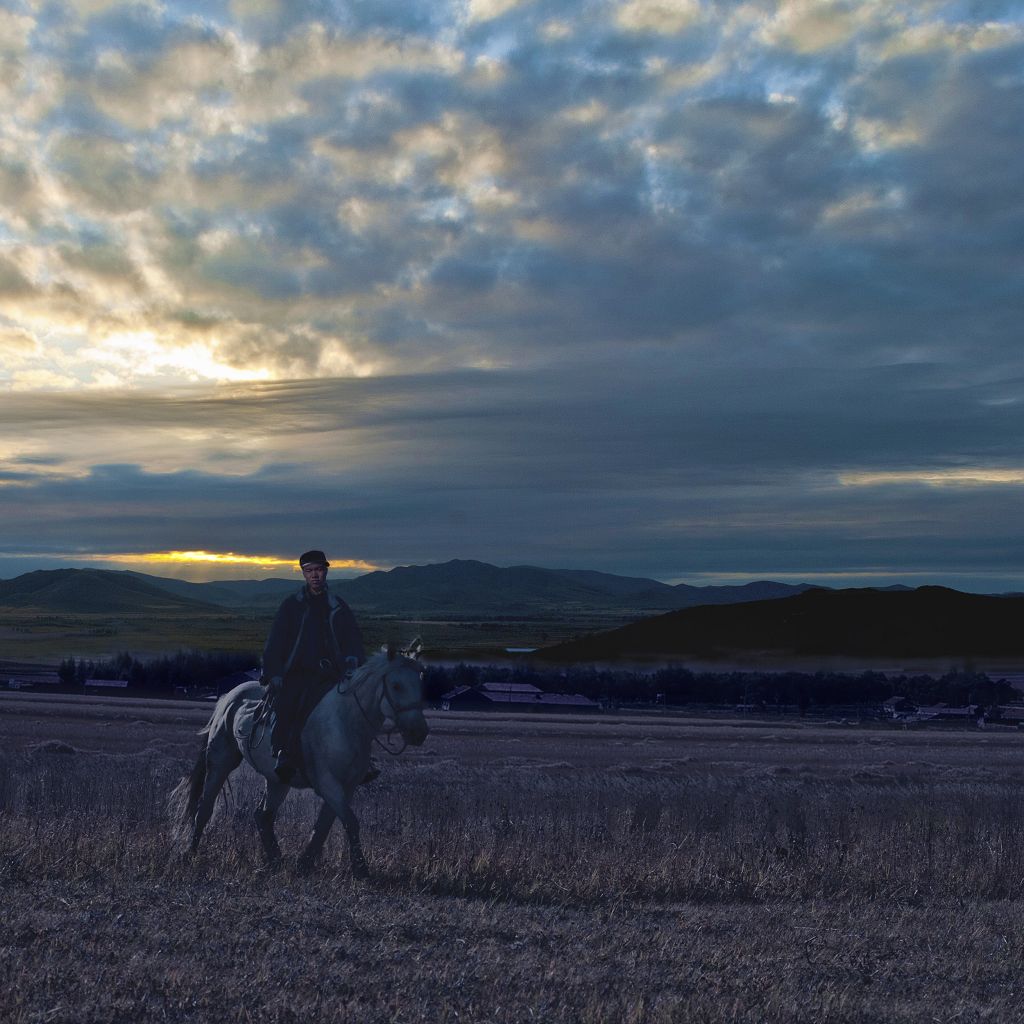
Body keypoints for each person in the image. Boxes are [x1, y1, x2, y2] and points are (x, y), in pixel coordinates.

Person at [261, 549, 367, 782]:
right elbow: (275, 641)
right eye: (309, 571)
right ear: (303, 574)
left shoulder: (337, 606)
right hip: (297, 673)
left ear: (326, 571)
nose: (315, 575)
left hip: (332, 674)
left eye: (318, 570)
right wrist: (275, 673)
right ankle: (283, 753)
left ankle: (362, 760)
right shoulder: (291, 606)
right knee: (287, 705)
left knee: (355, 709)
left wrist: (353, 664)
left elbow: (353, 639)